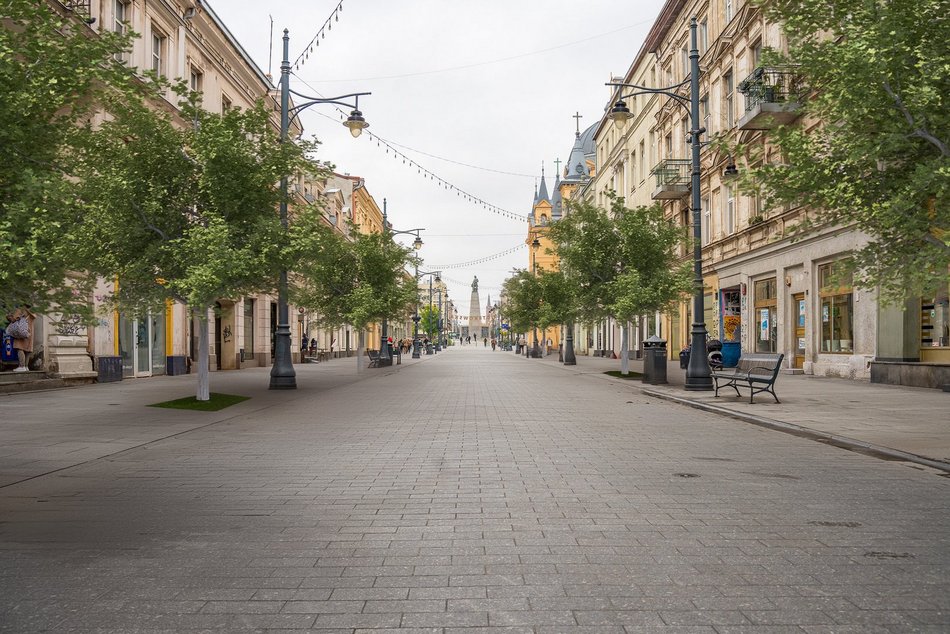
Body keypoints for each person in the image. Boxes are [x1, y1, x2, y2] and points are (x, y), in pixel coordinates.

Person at [6, 306, 35, 372]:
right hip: (29, 332)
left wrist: (8, 316)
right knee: (27, 349)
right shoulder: (32, 311)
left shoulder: (21, 309)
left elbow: (13, 318)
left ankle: (22, 366)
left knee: (19, 348)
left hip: (20, 332)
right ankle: (26, 366)